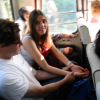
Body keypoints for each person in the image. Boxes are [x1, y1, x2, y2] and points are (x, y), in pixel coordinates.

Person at [20, 9, 89, 79]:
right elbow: (46, 67)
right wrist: (72, 73)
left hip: (42, 67)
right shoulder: (28, 40)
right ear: (32, 25)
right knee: (71, 78)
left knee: (74, 64)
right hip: (35, 74)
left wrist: (71, 66)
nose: (42, 25)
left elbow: (55, 51)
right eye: (37, 23)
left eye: (44, 21)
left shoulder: (44, 36)